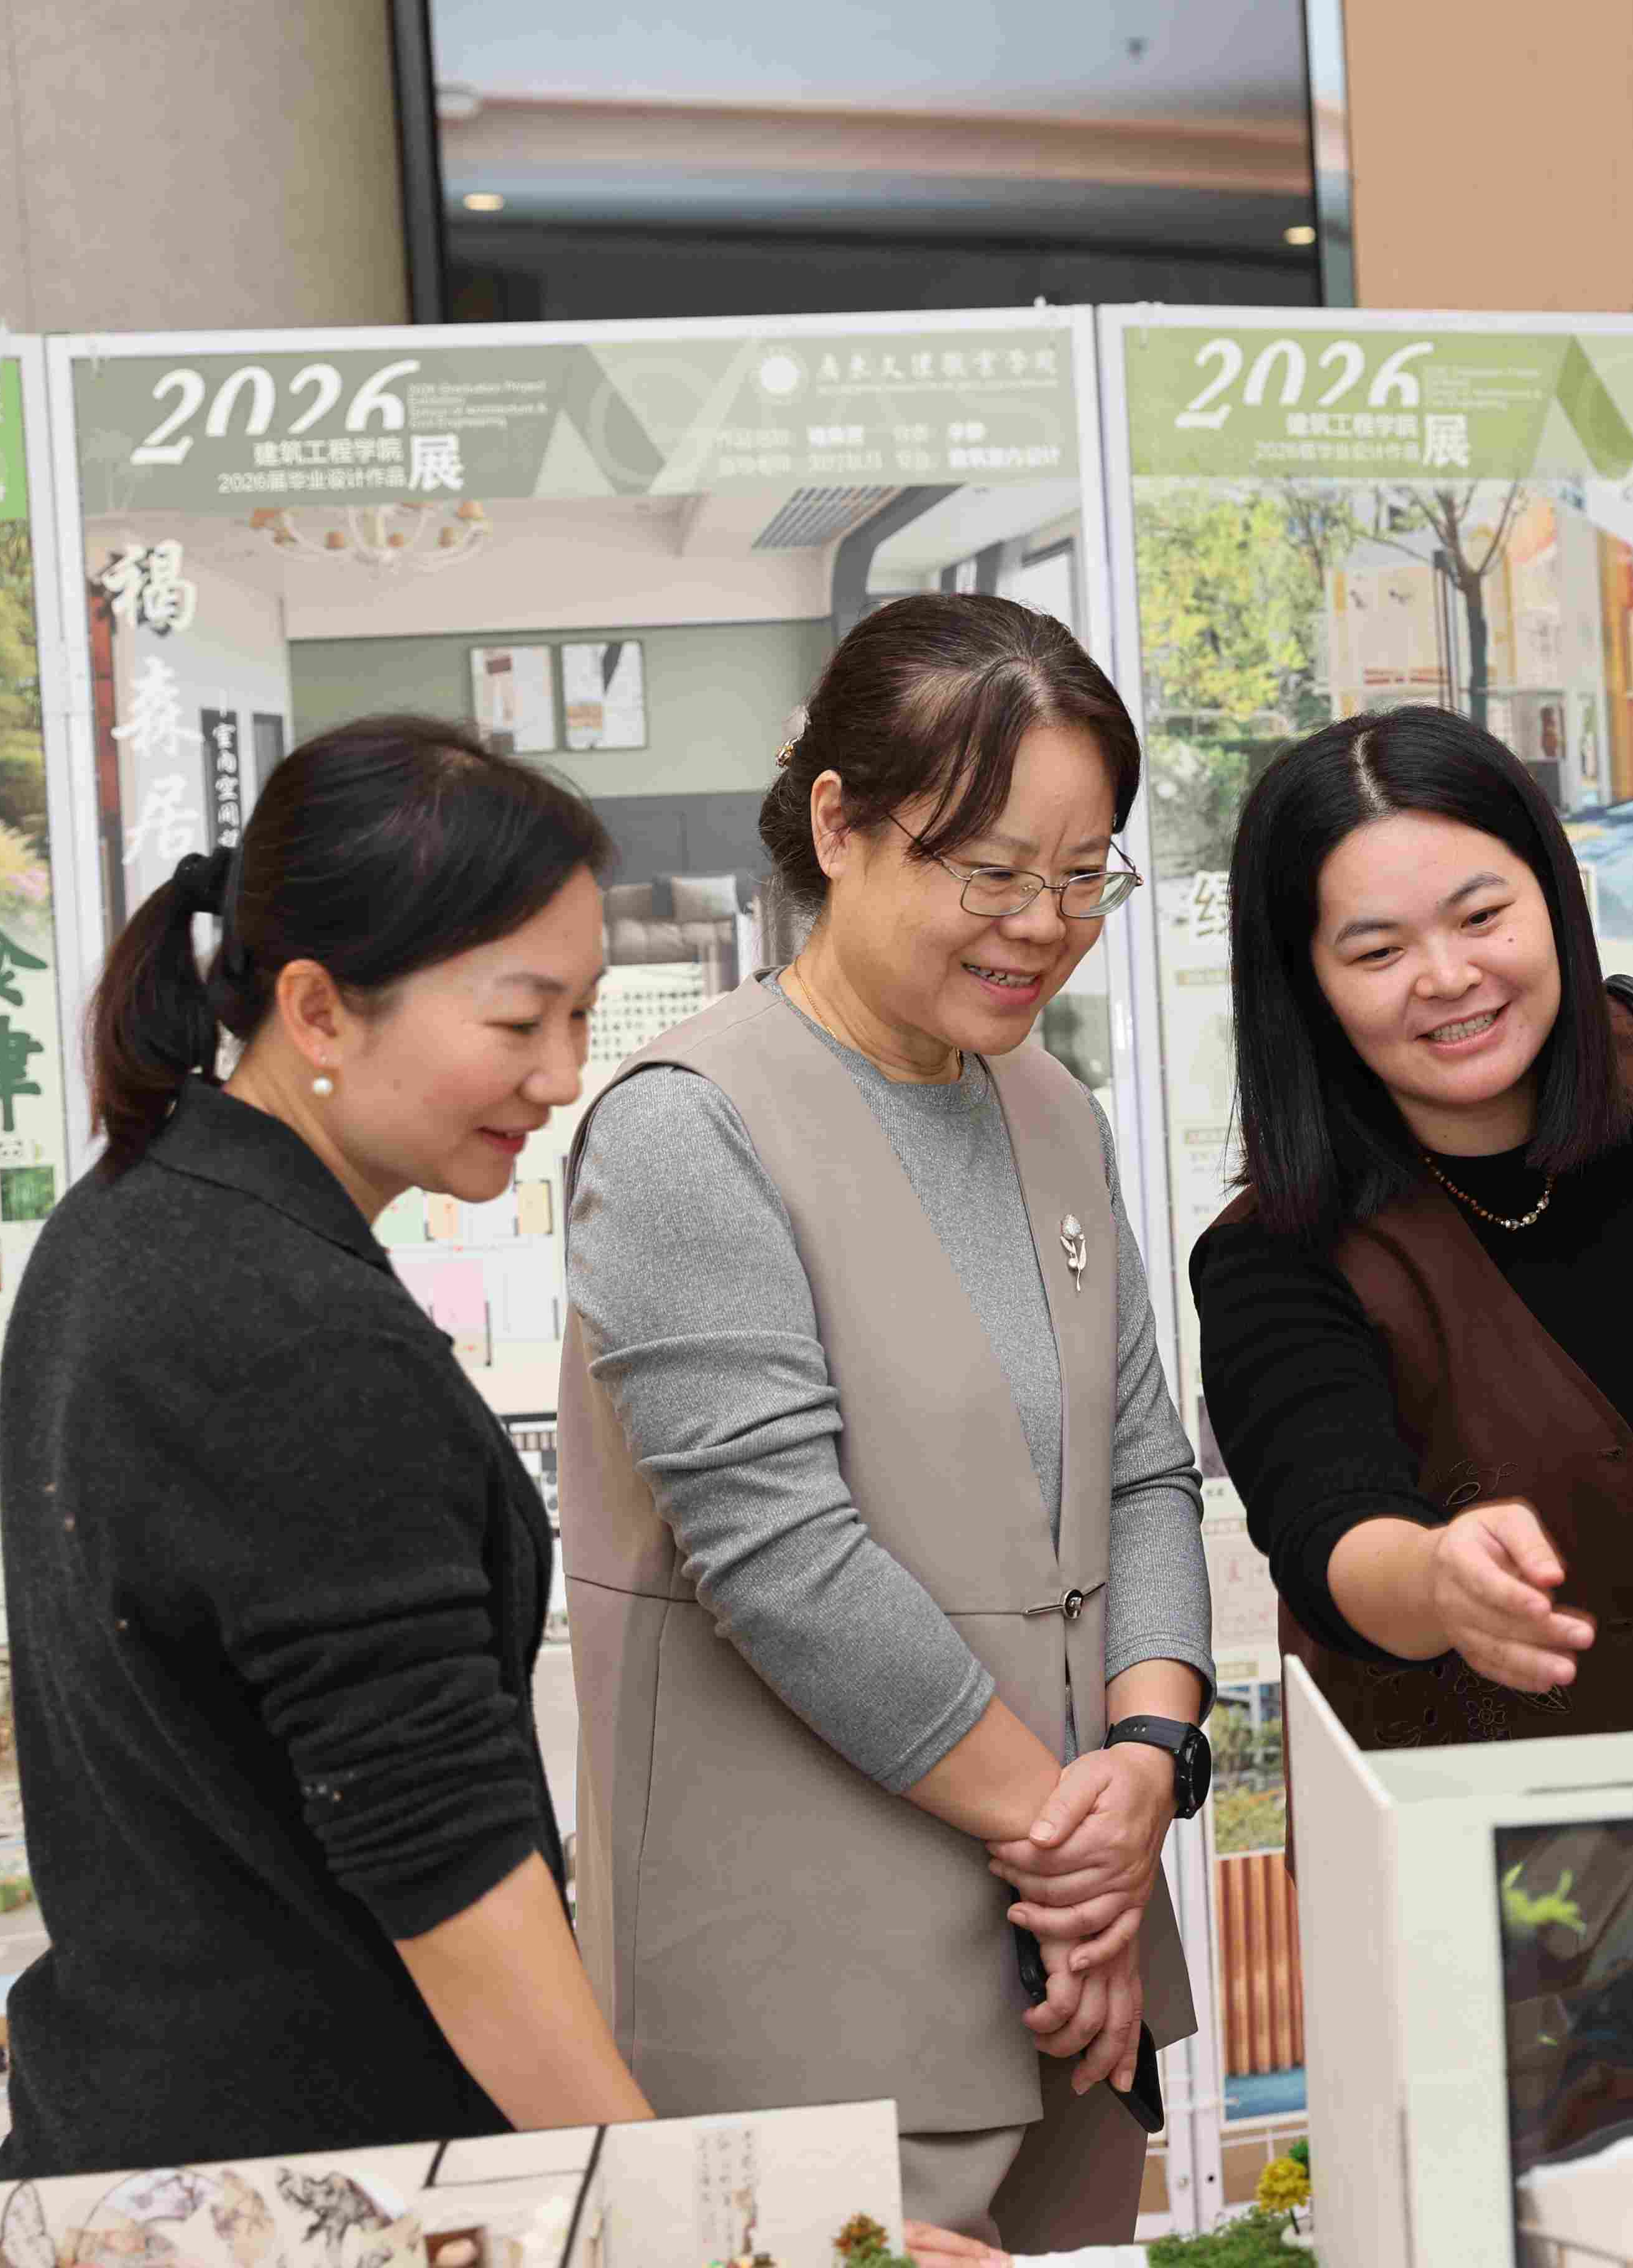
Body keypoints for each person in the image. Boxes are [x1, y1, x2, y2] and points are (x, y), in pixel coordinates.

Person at [562, 594, 1211, 2252]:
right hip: (811, 2000)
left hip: (1071, 1982)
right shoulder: (690, 1125)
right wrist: (1077, 1845)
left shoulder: (1050, 1107)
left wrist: (1150, 1762)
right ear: (839, 825)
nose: (1042, 926)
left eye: (1084, 877)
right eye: (989, 873)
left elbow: (1145, 1466)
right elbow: (784, 1562)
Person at [0, 716, 650, 2174]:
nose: (562, 1076)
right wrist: (669, 2204)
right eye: (520, 1021)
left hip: (142, 2115)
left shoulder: (132, 1219)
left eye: (581, 1017)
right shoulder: (288, 1327)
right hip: (301, 2171)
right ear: (318, 1009)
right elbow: (442, 1850)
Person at [1192, 704, 1633, 1749]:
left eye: (1483, 916)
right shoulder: (1273, 1252)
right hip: (1487, 1834)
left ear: (1555, 898)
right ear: (1306, 986)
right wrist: (1436, 1579)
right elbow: (1328, 1523)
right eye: (1377, 951)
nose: (1448, 977)